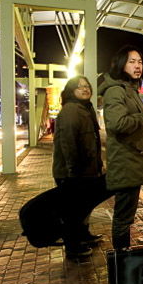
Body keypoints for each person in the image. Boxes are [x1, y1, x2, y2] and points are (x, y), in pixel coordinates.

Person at [98, 46, 143, 250]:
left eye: (140, 62)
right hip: (126, 163)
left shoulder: (129, 89)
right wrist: (142, 117)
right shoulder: (116, 90)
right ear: (120, 63)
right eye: (132, 61)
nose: (138, 66)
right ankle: (121, 262)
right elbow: (117, 124)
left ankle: (123, 257)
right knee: (123, 218)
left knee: (126, 215)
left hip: (131, 161)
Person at [52, 76, 107, 259]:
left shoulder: (85, 109)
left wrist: (98, 165)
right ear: (71, 91)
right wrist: (72, 172)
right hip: (72, 173)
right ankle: (73, 248)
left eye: (87, 86)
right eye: (79, 87)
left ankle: (84, 236)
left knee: (83, 207)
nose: (85, 89)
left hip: (85, 171)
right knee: (72, 212)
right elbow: (68, 143)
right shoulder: (71, 110)